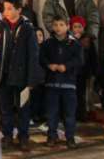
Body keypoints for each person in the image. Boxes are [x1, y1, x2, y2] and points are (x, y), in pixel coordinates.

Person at [0, 0, 43, 152]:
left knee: (23, 108)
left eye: (9, 8)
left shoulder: (28, 28)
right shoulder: (0, 26)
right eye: (4, 8)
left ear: (19, 10)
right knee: (6, 108)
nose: (5, 12)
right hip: (5, 74)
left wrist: (31, 80)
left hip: (22, 76)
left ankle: (23, 136)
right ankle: (7, 135)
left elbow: (33, 54)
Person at [40, 15, 83, 149]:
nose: (58, 28)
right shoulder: (48, 43)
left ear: (67, 26)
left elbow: (79, 60)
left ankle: (70, 137)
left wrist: (67, 66)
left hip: (68, 83)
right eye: (56, 25)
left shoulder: (74, 43)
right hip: (52, 83)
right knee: (52, 113)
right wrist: (49, 65)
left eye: (61, 25)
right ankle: (51, 136)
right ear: (52, 27)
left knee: (69, 113)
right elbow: (41, 58)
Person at [70, 16, 97, 122]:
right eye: (75, 27)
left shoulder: (88, 40)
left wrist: (94, 71)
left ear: (84, 27)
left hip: (84, 72)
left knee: (82, 94)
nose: (77, 29)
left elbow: (93, 57)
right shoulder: (69, 39)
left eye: (79, 27)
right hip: (72, 72)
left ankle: (82, 114)